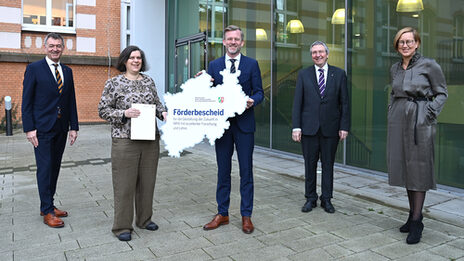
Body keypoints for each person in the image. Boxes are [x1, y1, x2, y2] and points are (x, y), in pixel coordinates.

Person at [98, 45, 167, 241]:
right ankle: (121, 227)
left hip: (149, 139)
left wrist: (162, 112)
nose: (136, 61)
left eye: (139, 58)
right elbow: (103, 110)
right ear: (124, 61)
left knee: (147, 182)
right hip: (124, 140)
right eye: (132, 58)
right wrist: (123, 114)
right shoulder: (114, 83)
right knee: (124, 185)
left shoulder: (149, 81)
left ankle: (144, 220)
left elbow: (157, 103)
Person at [387, 27, 447, 244]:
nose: (405, 45)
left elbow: (442, 93)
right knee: (405, 166)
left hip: (420, 121)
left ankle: (417, 220)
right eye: (401, 42)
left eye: (409, 41)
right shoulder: (394, 68)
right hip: (398, 121)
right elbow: (394, 93)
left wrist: (428, 113)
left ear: (417, 43)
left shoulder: (429, 65)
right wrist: (391, 111)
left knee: (419, 168)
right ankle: (411, 215)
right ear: (397, 45)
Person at [202, 25, 264, 234]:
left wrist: (252, 101)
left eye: (236, 39)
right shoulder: (214, 65)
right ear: (224, 42)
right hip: (223, 127)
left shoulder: (252, 64)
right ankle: (223, 213)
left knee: (246, 171)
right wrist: (202, 83)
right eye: (229, 39)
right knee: (223, 171)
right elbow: (208, 94)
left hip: (245, 125)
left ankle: (246, 215)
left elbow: (260, 93)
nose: (233, 42)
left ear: (242, 42)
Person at [21, 32, 79, 228]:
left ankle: (49, 204)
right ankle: (47, 211)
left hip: (61, 128)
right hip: (42, 129)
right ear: (45, 47)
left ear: (63, 48)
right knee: (44, 169)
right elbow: (27, 101)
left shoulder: (67, 71)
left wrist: (74, 127)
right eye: (51, 45)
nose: (55, 49)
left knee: (54, 167)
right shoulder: (34, 69)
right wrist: (29, 129)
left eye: (58, 46)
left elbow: (71, 101)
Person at [291, 41, 350, 214]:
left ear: (327, 54)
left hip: (331, 129)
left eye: (321, 52)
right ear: (311, 55)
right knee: (309, 165)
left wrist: (344, 126)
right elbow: (297, 103)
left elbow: (344, 103)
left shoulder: (339, 74)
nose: (318, 55)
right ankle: (310, 198)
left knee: (328, 165)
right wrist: (296, 127)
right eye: (314, 52)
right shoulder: (304, 74)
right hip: (308, 129)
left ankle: (326, 199)